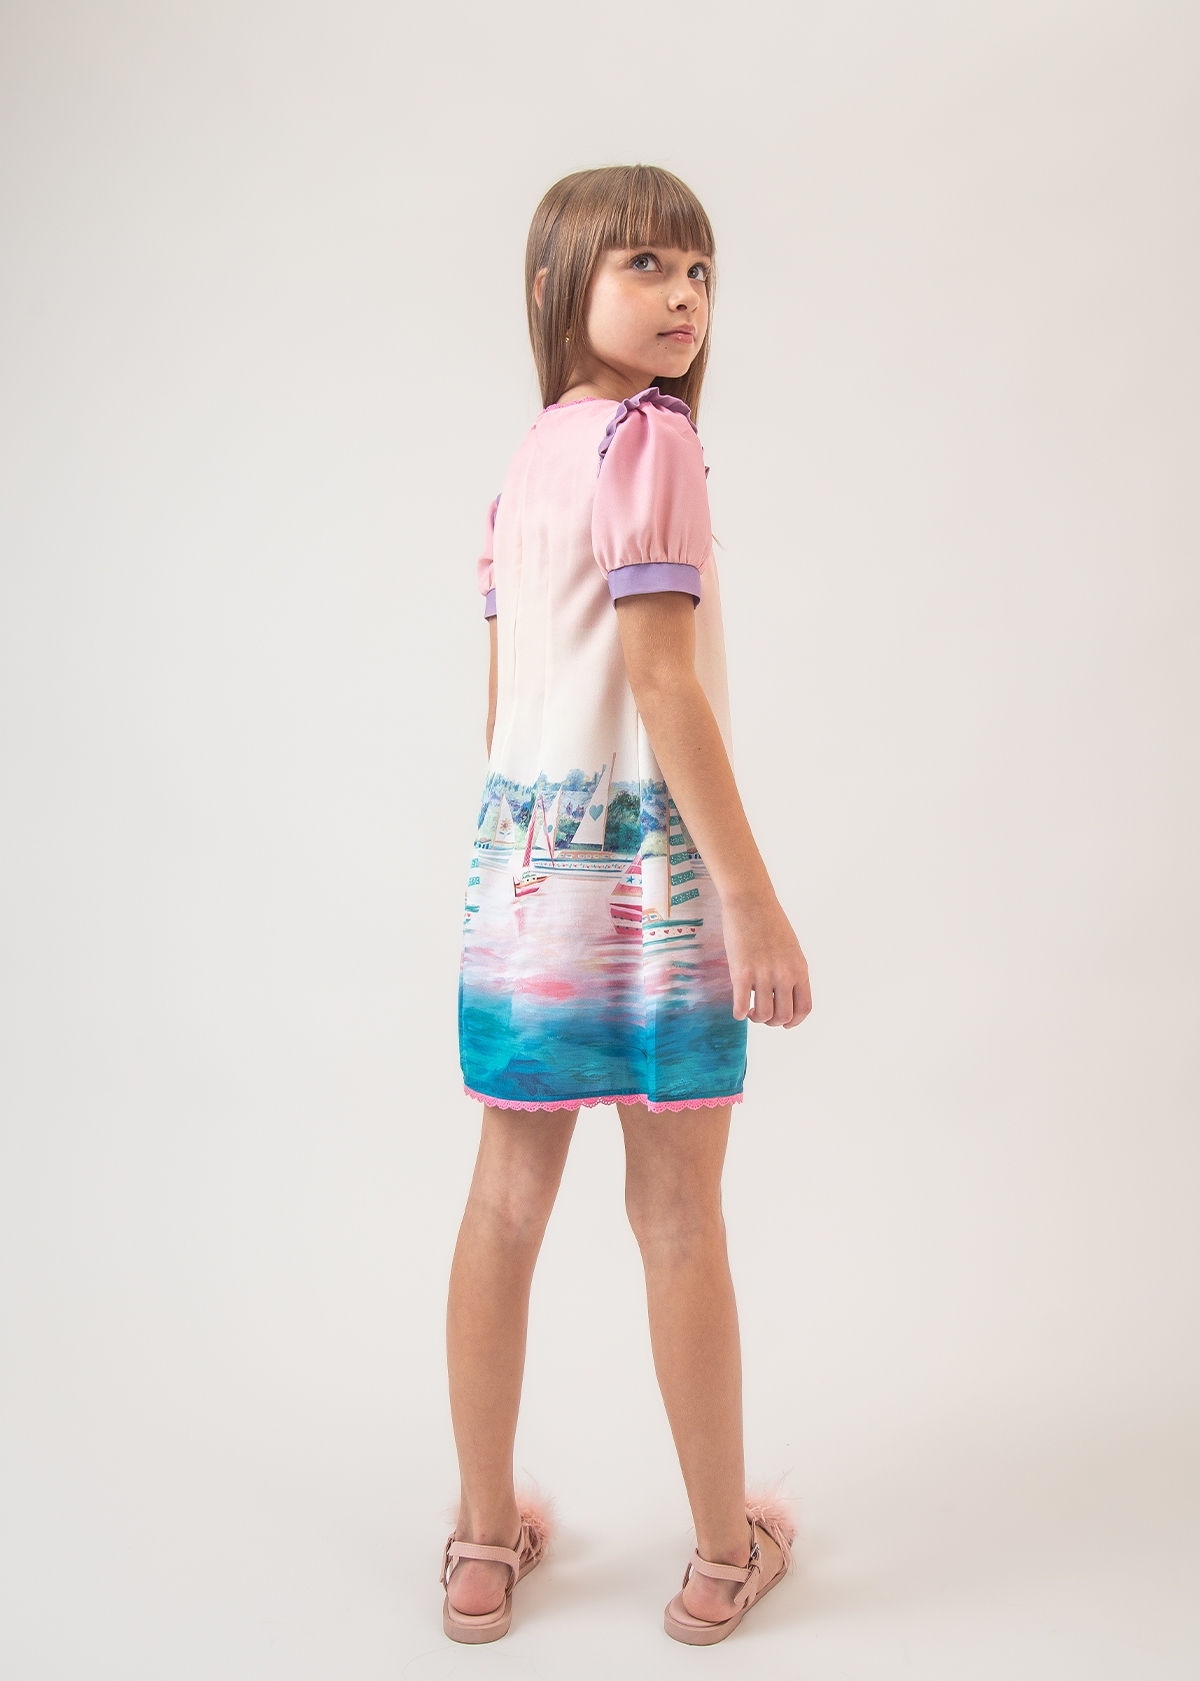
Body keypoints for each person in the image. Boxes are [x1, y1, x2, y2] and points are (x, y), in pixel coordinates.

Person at [441, 165, 812, 1647]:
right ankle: (722, 1558)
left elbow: (503, 705)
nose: (682, 295)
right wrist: (753, 901)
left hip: (524, 882)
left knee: (503, 1204)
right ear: (557, 286)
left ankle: (481, 1545)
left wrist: (519, 875)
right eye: (646, 264)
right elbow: (663, 684)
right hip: (649, 889)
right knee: (678, 1218)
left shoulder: (528, 462)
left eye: (699, 270)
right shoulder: (654, 441)